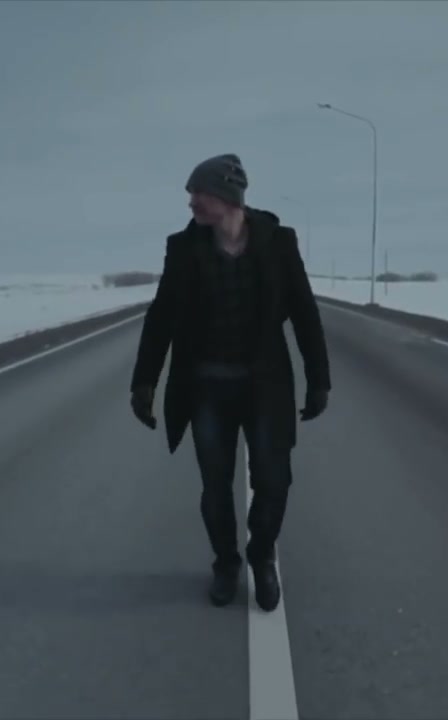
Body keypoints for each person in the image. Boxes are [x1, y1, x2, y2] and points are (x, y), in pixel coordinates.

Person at [129, 153, 331, 612]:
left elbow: (304, 312)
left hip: (266, 388)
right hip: (206, 390)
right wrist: (144, 382)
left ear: (226, 195)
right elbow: (161, 318)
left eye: (198, 193)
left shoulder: (278, 242)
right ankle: (225, 563)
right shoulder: (183, 249)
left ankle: (261, 556)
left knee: (274, 481)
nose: (191, 203)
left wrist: (318, 379)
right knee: (215, 486)